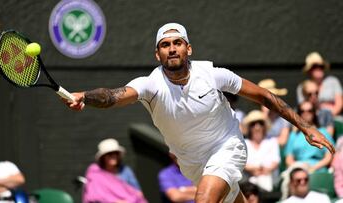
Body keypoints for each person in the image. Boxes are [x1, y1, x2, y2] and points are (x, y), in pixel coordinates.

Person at [62, 23, 334, 203]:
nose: (172, 48)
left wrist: (306, 127)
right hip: (191, 162)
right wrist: (84, 96)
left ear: (188, 48)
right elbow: (112, 96)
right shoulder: (149, 85)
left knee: (204, 199)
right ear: (157, 54)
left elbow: (263, 95)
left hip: (227, 146)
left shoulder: (214, 75)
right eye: (165, 44)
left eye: (177, 42)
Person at [82, 138, 147, 203]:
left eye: (116, 153)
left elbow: (138, 193)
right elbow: (93, 196)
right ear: (103, 157)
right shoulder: (95, 174)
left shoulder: (126, 171)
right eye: (109, 154)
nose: (113, 156)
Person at [285, 101, 334, 173]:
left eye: (309, 111)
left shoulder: (322, 132)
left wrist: (314, 167)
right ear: (299, 113)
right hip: (298, 170)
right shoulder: (294, 134)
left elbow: (329, 155)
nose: (306, 113)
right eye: (302, 111)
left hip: (319, 170)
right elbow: (288, 158)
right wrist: (299, 168)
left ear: (314, 113)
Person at [242, 110, 280, 192]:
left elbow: (276, 161)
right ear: (249, 127)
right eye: (253, 124)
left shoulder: (272, 141)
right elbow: (242, 163)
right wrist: (254, 170)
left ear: (264, 126)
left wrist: (265, 170)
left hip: (270, 178)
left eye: (260, 123)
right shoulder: (244, 143)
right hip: (249, 179)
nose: (257, 127)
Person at [297, 52, 343, 116]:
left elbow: (339, 104)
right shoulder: (302, 87)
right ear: (309, 70)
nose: (318, 68)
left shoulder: (333, 81)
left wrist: (327, 117)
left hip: (335, 118)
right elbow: (303, 109)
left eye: (321, 66)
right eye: (315, 66)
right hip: (312, 120)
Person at [258, 78, 291, 147]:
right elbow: (256, 140)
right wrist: (264, 116)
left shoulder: (284, 119)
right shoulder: (256, 118)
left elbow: (282, 141)